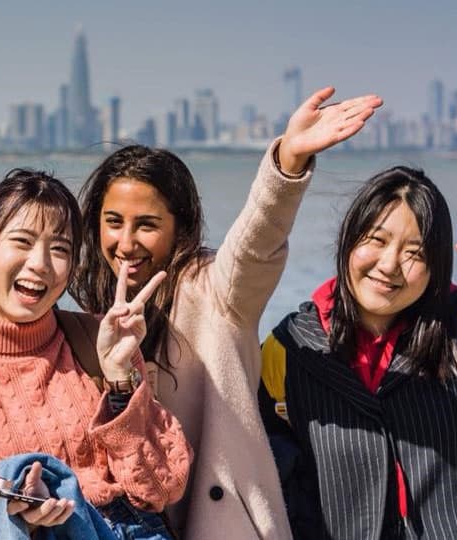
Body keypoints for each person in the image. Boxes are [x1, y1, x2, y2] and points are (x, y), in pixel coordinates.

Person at [69, 87, 383, 540]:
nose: (127, 242)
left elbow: (254, 245)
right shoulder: (91, 315)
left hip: (223, 523)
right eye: (114, 221)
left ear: (180, 228)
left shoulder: (214, 290)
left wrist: (287, 164)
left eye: (147, 225)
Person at [0, 169, 191, 538]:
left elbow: (162, 488)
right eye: (22, 242)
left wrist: (119, 379)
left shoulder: (98, 343)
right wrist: (11, 504)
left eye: (59, 249)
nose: (40, 264)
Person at [259, 167, 457, 539]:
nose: (390, 264)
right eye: (376, 240)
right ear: (349, 240)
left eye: (415, 252)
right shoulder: (290, 348)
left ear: (436, 266)